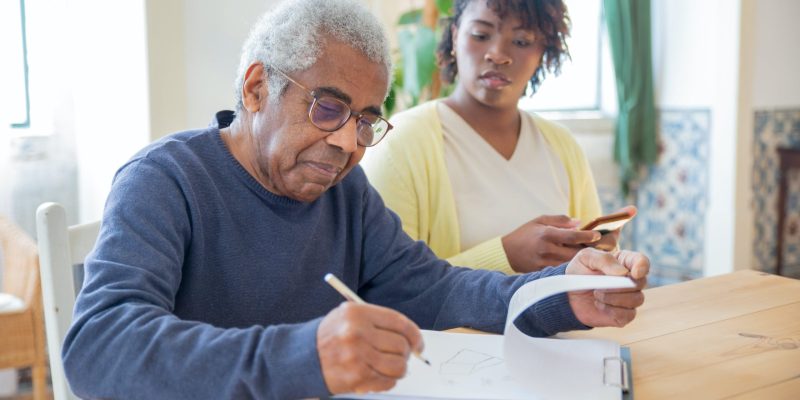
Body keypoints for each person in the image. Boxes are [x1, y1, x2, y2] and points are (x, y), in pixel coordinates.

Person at [61, 0, 649, 398]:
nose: (347, 142)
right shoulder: (165, 181)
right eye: (327, 107)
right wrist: (301, 355)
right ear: (257, 87)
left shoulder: (344, 189)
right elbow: (99, 346)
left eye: (366, 120)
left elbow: (436, 288)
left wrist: (564, 295)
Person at [362, 0, 628, 275]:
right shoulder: (401, 143)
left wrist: (604, 260)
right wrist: (505, 256)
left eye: (522, 41)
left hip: (556, 318)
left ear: (542, 53)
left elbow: (586, 266)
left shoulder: (562, 146)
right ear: (455, 36)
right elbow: (387, 283)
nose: (499, 55)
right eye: (480, 35)